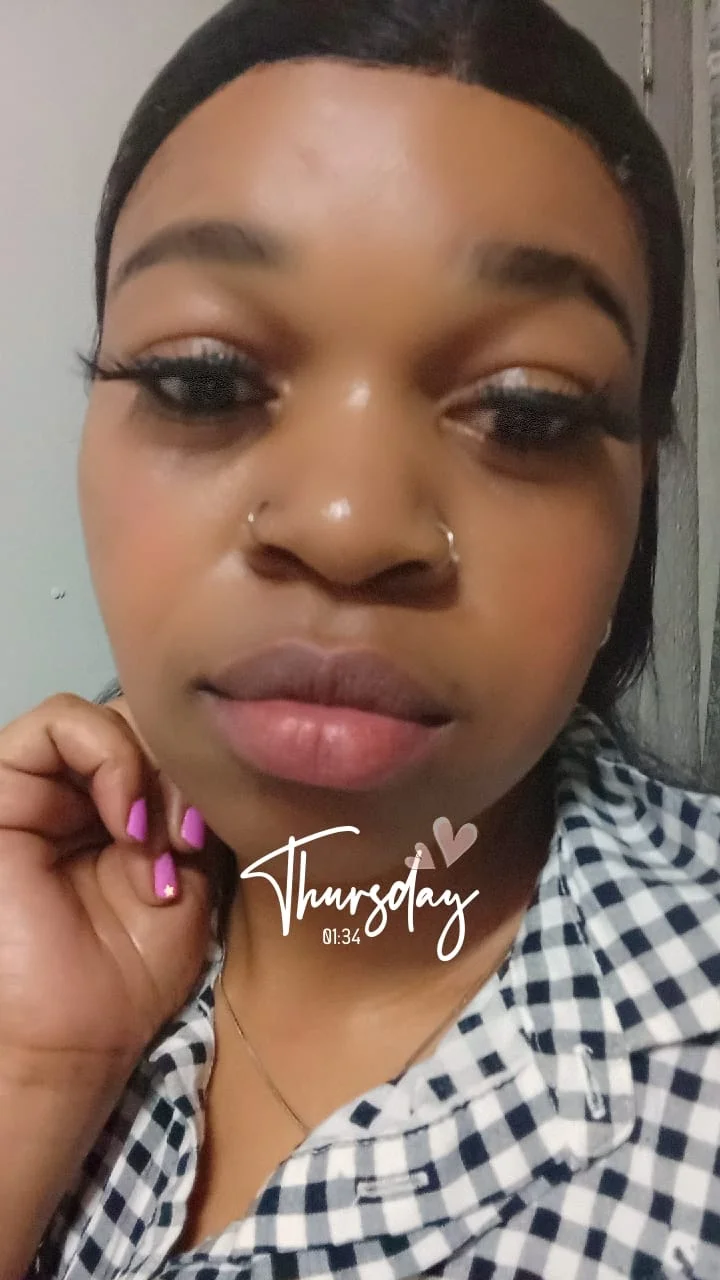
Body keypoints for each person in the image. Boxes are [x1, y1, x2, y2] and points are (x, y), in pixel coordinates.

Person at [1, 0, 718, 1276]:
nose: (346, 527)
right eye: (205, 380)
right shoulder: (33, 915)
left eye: (528, 411)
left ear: (636, 512)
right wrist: (29, 1074)